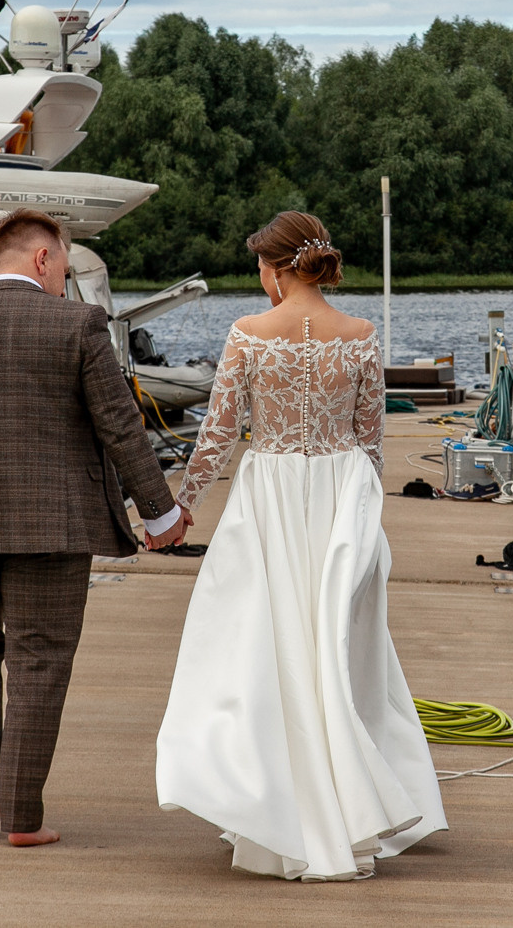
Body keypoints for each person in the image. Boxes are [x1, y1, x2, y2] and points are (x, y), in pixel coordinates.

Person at [155, 210, 446, 880]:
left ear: (275, 269)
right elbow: (371, 442)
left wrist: (182, 507)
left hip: (271, 500)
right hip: (342, 500)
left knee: (265, 649)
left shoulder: (249, 334)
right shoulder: (361, 335)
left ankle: (278, 806)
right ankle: (348, 806)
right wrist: (367, 522)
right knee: (337, 655)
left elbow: (218, 434)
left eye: (260, 267)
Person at [0, 207, 188, 846]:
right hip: (55, 525)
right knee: (39, 659)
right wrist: (160, 513)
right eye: (64, 268)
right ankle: (23, 816)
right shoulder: (78, 324)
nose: (63, 281)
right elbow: (119, 425)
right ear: (43, 258)